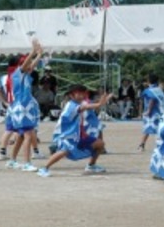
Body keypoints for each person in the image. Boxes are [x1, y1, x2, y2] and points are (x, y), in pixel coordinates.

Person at [37, 84, 112, 178]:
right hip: (66, 135)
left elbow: (87, 105)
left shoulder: (78, 103)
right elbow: (84, 108)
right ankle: (44, 168)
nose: (81, 95)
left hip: (78, 135)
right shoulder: (71, 105)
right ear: (71, 95)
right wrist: (99, 104)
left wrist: (99, 103)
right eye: (78, 94)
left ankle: (91, 166)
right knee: (64, 151)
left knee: (100, 144)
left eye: (82, 93)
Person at [6, 39, 43, 171]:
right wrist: (33, 52)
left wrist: (39, 54)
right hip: (21, 108)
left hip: (23, 108)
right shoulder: (17, 74)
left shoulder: (26, 75)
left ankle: (12, 160)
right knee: (28, 134)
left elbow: (31, 65)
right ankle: (27, 163)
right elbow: (27, 64)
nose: (30, 66)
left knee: (21, 136)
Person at [138, 74, 164, 152]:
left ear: (148, 81)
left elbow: (151, 100)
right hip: (161, 112)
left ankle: (142, 145)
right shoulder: (159, 89)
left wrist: (148, 110)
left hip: (152, 113)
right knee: (160, 128)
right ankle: (162, 144)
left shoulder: (148, 90)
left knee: (147, 128)